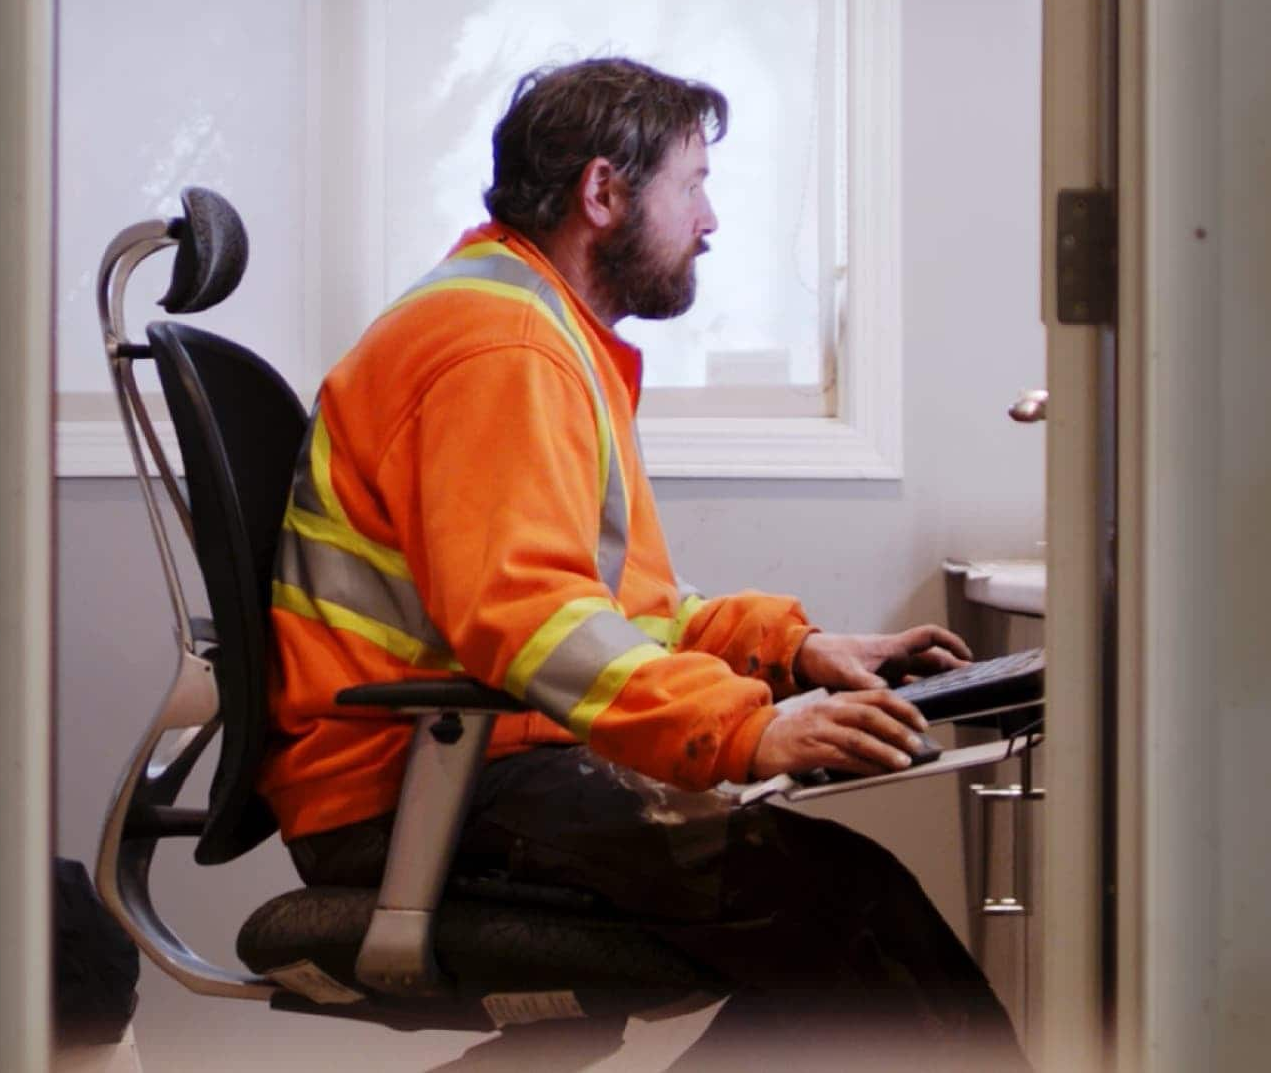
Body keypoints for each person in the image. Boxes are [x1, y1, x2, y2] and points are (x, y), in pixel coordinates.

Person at [263, 56, 1030, 1069]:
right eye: (694, 185)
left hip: (463, 762)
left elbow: (614, 606)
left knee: (836, 919)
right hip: (415, 786)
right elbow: (526, 617)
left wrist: (791, 649)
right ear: (603, 192)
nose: (710, 221)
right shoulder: (500, 347)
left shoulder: (532, 328)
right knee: (846, 910)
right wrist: (744, 730)